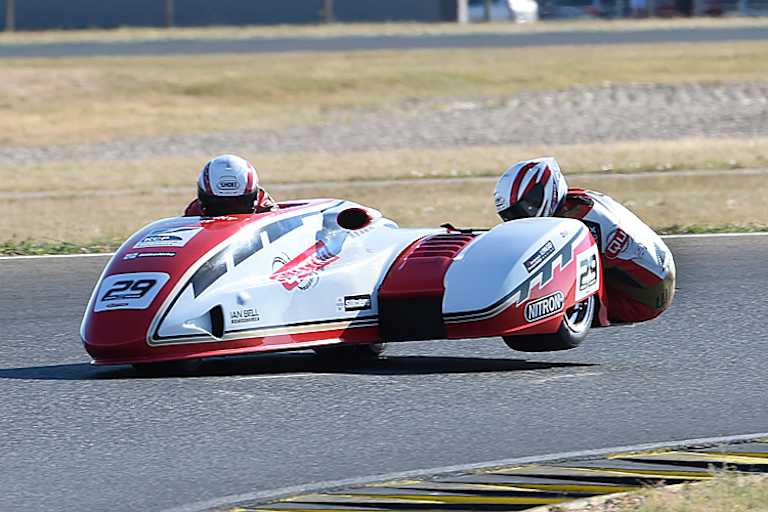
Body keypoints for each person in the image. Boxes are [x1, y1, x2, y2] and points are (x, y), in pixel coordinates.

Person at [493, 157, 675, 323]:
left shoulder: (580, 222)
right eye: (511, 216)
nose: (521, 219)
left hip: (644, 296)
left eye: (523, 209)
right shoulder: (571, 201)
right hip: (655, 273)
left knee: (532, 310)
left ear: (541, 194)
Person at [184, 154, 277, 217]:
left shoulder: (268, 213)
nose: (227, 215)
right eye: (218, 203)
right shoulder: (194, 213)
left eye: (239, 202)